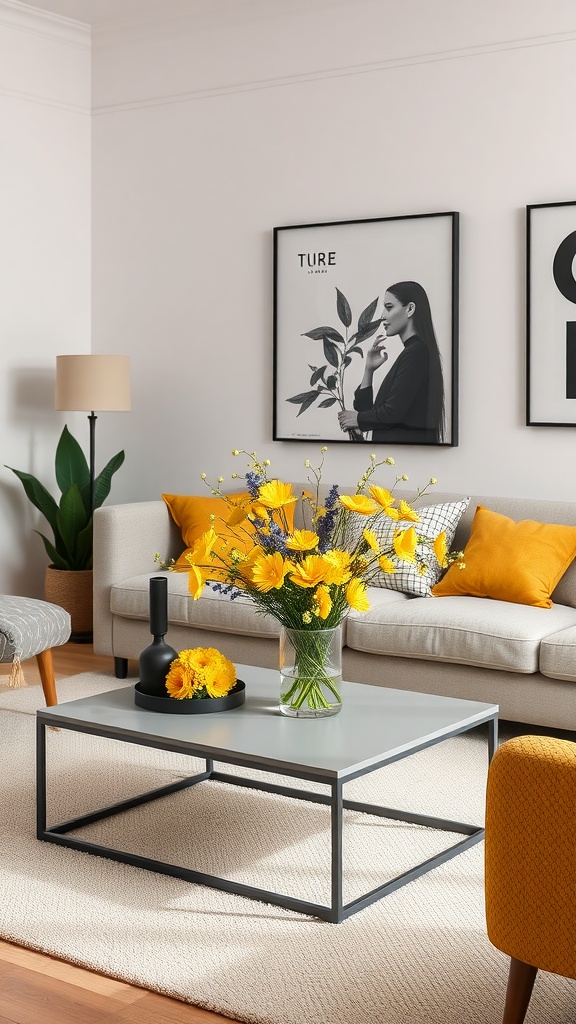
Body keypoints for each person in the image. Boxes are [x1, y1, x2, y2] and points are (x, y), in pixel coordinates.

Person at [338, 280, 445, 444]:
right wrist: (369, 369)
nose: (383, 316)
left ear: (410, 309)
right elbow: (369, 412)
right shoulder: (413, 352)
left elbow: (391, 414)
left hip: (403, 457)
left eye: (389, 307)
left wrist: (357, 419)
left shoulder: (417, 353)